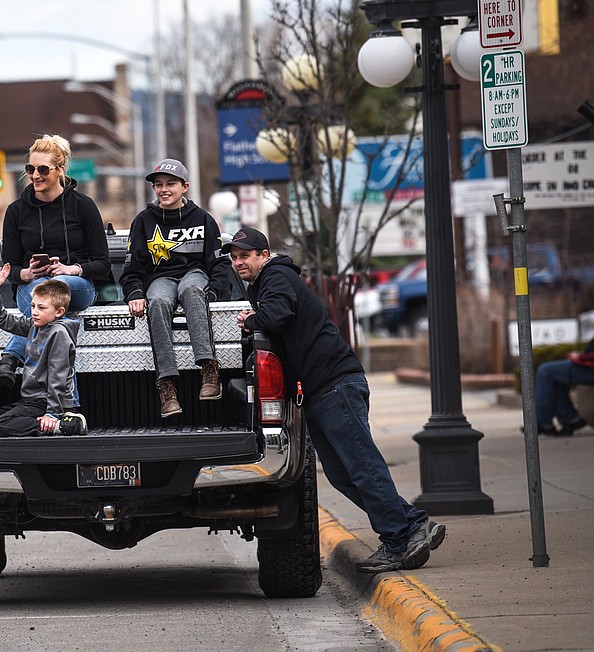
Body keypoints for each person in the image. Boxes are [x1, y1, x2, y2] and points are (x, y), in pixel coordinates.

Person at [225, 226, 446, 573]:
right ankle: (411, 526)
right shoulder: (264, 283)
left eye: (245, 256)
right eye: (234, 257)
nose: (239, 262)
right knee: (343, 475)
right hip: (319, 390)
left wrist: (252, 320)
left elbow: (277, 315)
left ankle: (401, 536)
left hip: (335, 384)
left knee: (361, 465)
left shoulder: (276, 276)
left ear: (263, 256)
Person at [0, 133, 110, 391]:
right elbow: (10, 266)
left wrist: (73, 268)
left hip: (76, 286)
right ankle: (67, 405)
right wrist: (26, 273)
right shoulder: (15, 211)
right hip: (31, 288)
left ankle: (11, 357)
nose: (35, 175)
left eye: (43, 169)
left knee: (52, 286)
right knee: (52, 319)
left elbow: (103, 264)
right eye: (30, 168)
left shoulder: (83, 207)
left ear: (60, 170)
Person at [120, 158, 229, 418]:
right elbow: (131, 269)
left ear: (185, 186)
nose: (164, 189)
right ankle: (167, 385)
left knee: (192, 290)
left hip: (195, 274)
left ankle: (209, 368)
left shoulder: (203, 218)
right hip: (160, 278)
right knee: (156, 300)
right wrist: (135, 294)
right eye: (158, 185)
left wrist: (213, 293)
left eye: (171, 183)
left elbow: (220, 264)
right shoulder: (143, 221)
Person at [0, 263, 87, 436]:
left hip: (45, 402)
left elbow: (58, 376)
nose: (35, 312)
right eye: (33, 306)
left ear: (59, 312)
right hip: (31, 400)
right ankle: (43, 424)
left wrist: (52, 413)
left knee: (0, 425)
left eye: (42, 308)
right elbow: (3, 320)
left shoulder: (59, 333)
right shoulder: (35, 326)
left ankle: (61, 426)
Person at [533, 339, 593, 436]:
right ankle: (569, 418)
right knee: (555, 375)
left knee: (546, 372)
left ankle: (544, 421)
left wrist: (582, 357)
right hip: (588, 363)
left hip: (589, 366)